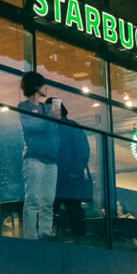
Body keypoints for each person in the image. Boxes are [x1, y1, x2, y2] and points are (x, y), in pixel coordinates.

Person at [17, 71, 61, 240]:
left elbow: (53, 128)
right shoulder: (24, 106)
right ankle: (31, 237)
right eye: (43, 84)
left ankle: (45, 233)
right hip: (34, 157)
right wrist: (51, 117)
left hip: (50, 159)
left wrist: (53, 115)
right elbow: (32, 125)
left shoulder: (46, 108)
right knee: (33, 198)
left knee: (48, 201)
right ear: (36, 86)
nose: (46, 88)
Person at [53, 102, 91, 238]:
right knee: (74, 211)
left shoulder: (56, 127)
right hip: (69, 177)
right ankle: (79, 238)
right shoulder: (72, 126)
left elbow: (82, 151)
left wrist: (74, 170)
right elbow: (83, 151)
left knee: (50, 209)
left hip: (61, 176)